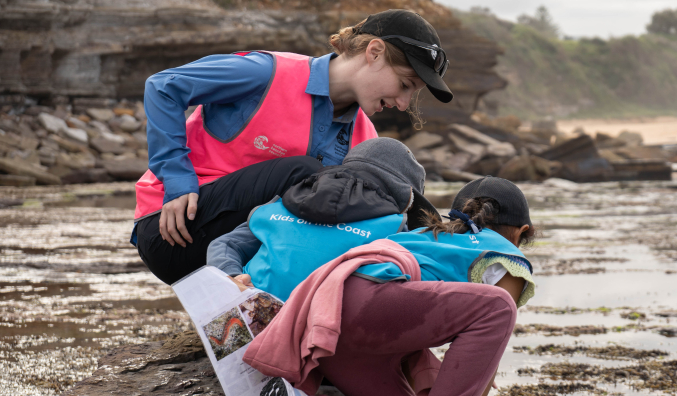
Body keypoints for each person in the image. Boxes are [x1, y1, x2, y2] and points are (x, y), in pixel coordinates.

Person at [132, 9, 453, 284]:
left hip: (241, 252)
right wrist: (176, 181)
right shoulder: (265, 73)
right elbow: (163, 87)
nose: (403, 103)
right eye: (405, 85)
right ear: (374, 52)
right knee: (308, 174)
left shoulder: (365, 137)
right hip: (173, 228)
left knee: (378, 204)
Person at [242, 176, 538, 396]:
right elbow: (488, 340)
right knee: (499, 307)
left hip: (328, 321)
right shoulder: (506, 254)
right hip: (369, 304)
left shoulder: (426, 234)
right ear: (521, 232)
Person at [207, 137, 438, 301]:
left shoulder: (282, 204)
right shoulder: (394, 228)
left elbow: (223, 244)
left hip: (253, 314)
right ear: (404, 197)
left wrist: (232, 277)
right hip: (327, 334)